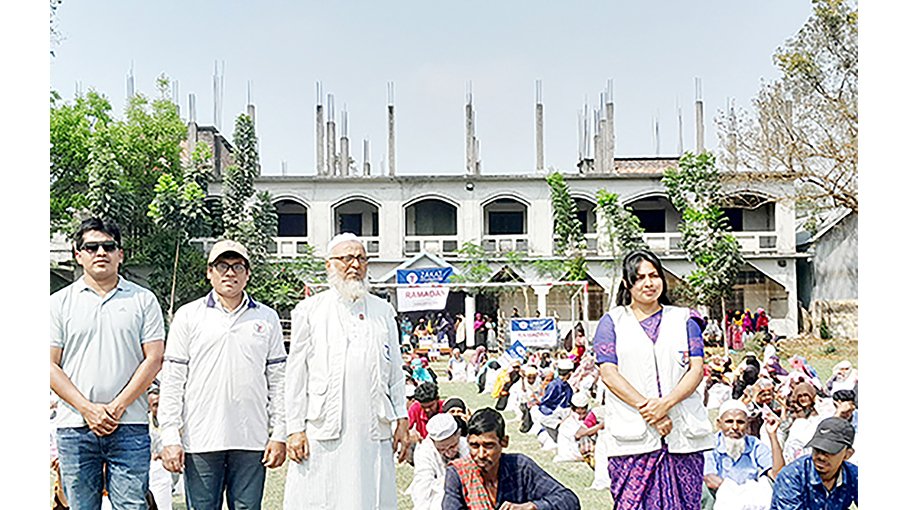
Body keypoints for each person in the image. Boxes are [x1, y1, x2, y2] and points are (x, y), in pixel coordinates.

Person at [156, 240, 286, 510]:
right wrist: (170, 436)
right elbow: (172, 380)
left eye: (238, 266)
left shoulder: (267, 317)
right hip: (201, 437)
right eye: (222, 266)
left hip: (252, 438)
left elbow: (279, 381)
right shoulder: (188, 316)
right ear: (209, 272)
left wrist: (280, 433)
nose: (230, 273)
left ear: (248, 273)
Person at [283, 233, 409, 510]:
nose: (355, 265)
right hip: (323, 427)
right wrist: (293, 429)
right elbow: (295, 375)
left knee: (371, 497)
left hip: (372, 425)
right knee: (321, 497)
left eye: (361, 258)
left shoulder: (383, 311)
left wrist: (401, 416)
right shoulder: (309, 310)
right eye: (347, 258)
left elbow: (395, 372)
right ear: (329, 265)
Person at [50, 218, 166, 510]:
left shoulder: (144, 300)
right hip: (75, 426)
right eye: (91, 247)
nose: (100, 252)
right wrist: (87, 409)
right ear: (78, 255)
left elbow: (154, 358)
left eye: (108, 246)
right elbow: (49, 366)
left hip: (129, 425)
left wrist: (116, 408)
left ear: (120, 254)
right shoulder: (59, 303)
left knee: (132, 506)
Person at [593, 249, 713, 510]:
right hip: (633, 438)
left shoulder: (685, 319)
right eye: (639, 278)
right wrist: (653, 412)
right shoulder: (611, 323)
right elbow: (609, 374)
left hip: (681, 436)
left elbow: (696, 369)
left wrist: (666, 404)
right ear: (627, 284)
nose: (648, 283)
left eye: (654, 275)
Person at [442, 408, 581, 510]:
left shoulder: (520, 467)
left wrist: (532, 506)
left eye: (488, 446)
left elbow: (569, 500)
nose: (481, 454)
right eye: (474, 446)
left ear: (504, 442)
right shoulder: (458, 474)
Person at [703, 399, 784, 510]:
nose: (735, 427)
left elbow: (778, 474)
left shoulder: (754, 444)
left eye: (740, 422)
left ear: (747, 425)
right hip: (721, 498)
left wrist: (772, 435)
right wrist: (737, 495)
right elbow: (710, 479)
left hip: (753, 500)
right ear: (719, 423)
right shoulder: (711, 445)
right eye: (729, 422)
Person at [770, 417, 858, 510]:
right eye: (817, 450)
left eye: (830, 451)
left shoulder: (854, 475)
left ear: (847, 454)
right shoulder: (792, 476)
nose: (821, 457)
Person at [408, 413, 471, 510]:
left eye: (453, 446)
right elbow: (423, 488)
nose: (449, 453)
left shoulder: (466, 445)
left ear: (458, 435)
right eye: (442, 449)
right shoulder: (424, 451)